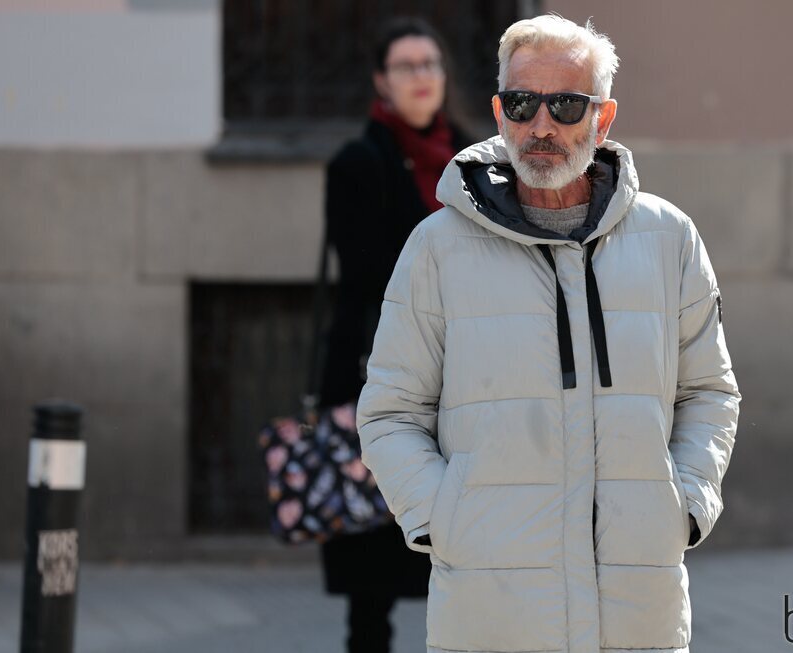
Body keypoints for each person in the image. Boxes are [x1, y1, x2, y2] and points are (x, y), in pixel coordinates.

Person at [355, 13, 743, 653]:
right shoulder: (437, 248)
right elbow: (391, 411)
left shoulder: (669, 239)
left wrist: (687, 503)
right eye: (522, 103)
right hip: (492, 617)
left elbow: (711, 392)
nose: (541, 126)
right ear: (499, 111)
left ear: (603, 116)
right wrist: (441, 519)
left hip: (638, 615)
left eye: (565, 105)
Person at [317, 16, 474, 653]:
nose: (421, 77)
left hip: (463, 377)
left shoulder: (473, 158)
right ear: (382, 81)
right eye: (406, 66)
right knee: (372, 575)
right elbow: (364, 274)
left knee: (466, 557)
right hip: (378, 374)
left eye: (430, 64)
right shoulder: (358, 163)